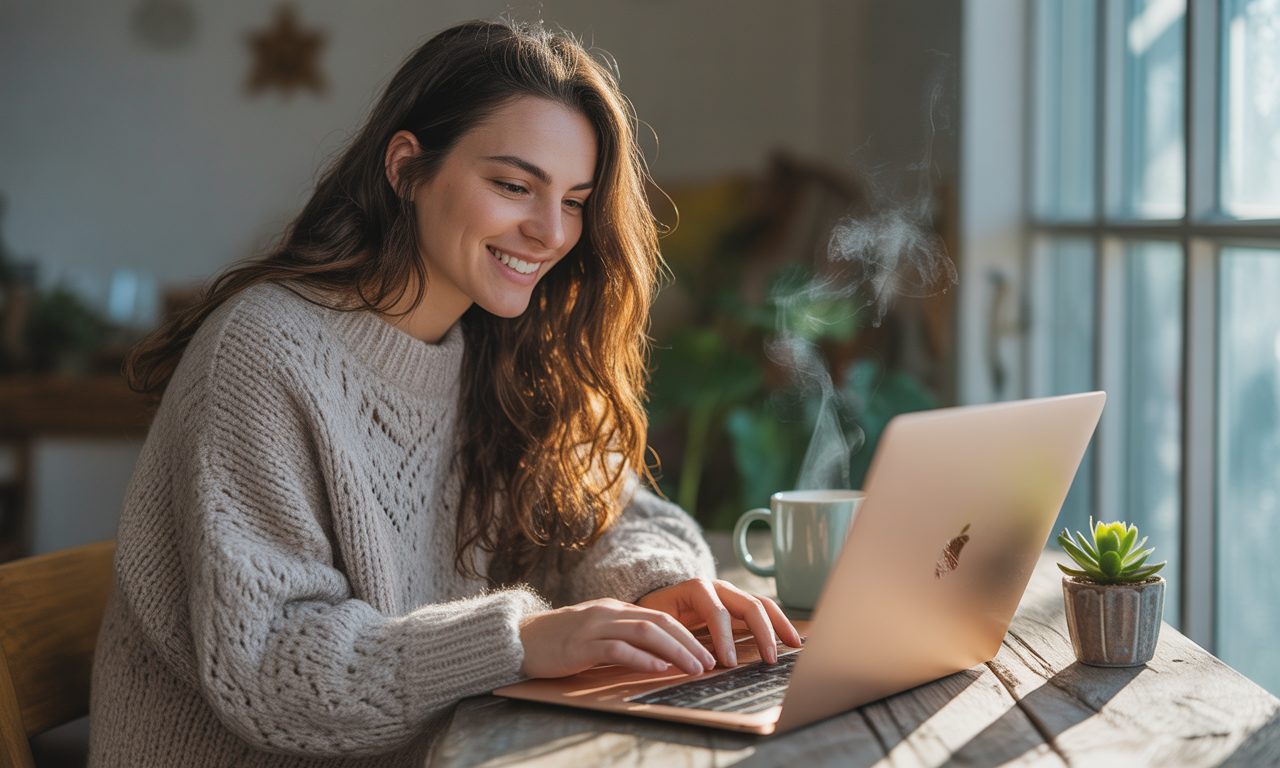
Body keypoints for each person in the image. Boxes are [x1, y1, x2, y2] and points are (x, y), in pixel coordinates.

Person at [88, 18, 800, 767]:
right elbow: (272, 664)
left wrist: (656, 588)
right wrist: (518, 640)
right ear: (406, 169)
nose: (549, 232)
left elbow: (614, 514)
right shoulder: (264, 350)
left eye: (574, 200)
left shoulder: (500, 345)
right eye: (514, 185)